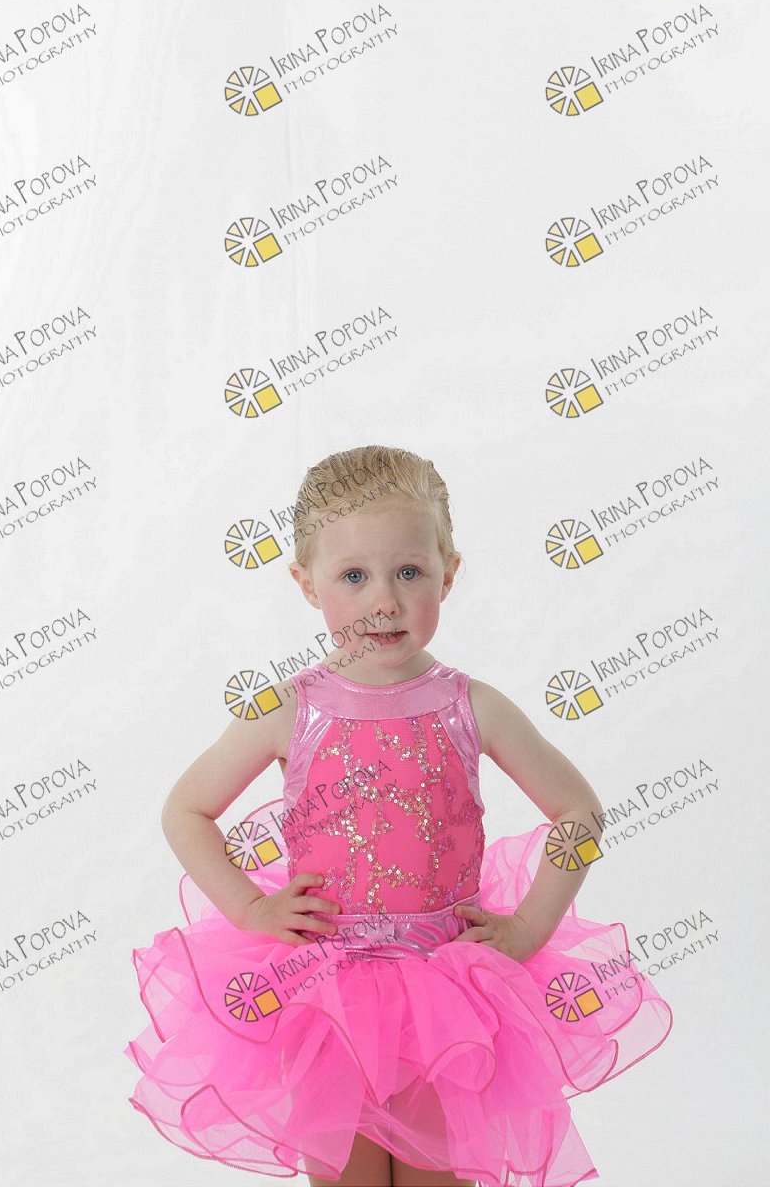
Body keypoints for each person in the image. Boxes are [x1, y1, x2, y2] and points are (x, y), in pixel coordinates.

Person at [123, 444, 673, 1187]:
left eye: (409, 572)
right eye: (353, 576)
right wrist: (251, 909)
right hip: (323, 991)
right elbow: (186, 810)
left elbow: (579, 812)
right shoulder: (289, 709)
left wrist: (527, 930)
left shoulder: (472, 706)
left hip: (446, 995)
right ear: (306, 583)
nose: (383, 601)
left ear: (449, 572)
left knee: (436, 1174)